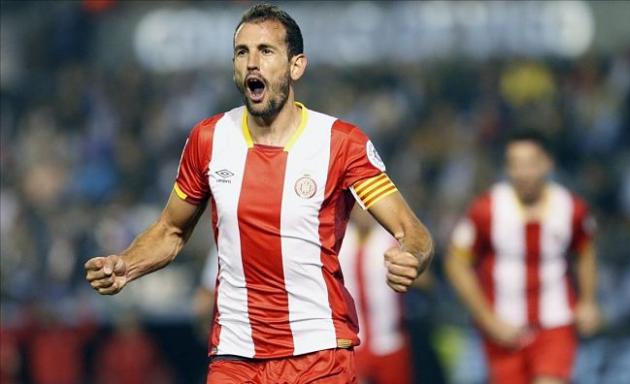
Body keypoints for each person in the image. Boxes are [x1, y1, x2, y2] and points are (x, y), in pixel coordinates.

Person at [84, 3, 433, 383]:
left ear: (296, 65)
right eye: (242, 52)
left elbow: (412, 231)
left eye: (265, 51)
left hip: (317, 355)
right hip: (235, 355)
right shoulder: (208, 139)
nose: (252, 62)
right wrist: (126, 264)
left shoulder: (340, 143)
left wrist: (412, 257)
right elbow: (171, 231)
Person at [445, 131, 601, 384]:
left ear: (547, 163)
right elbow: (456, 262)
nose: (523, 173)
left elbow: (585, 251)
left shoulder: (572, 208)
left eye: (530, 164)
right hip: (503, 329)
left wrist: (588, 300)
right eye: (515, 165)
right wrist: (487, 319)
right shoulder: (486, 209)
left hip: (555, 324)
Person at [338, 207, 415, 384]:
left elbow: (419, 272)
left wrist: (411, 267)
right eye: (358, 209)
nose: (363, 214)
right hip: (353, 341)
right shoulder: (339, 239)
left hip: (390, 340)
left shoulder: (392, 240)